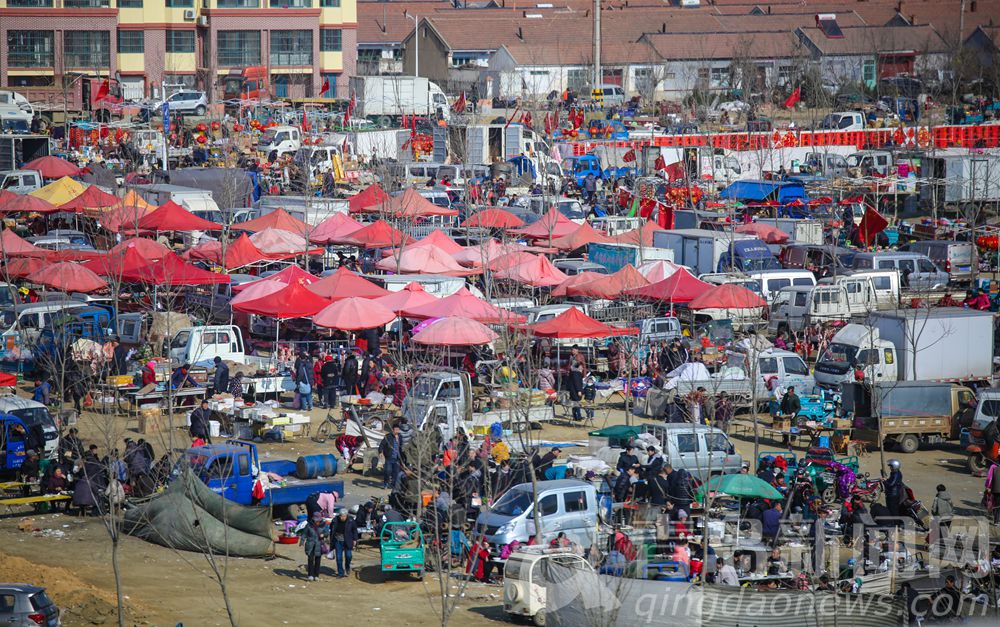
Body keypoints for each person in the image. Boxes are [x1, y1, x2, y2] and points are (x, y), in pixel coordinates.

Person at [328, 508, 358, 578]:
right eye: (341, 516)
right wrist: (331, 539)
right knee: (339, 558)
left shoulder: (351, 520)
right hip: (338, 541)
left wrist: (355, 539)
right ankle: (340, 573)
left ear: (346, 515)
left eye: (344, 516)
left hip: (348, 541)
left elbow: (355, 530)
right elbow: (331, 529)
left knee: (348, 556)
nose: (342, 517)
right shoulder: (335, 520)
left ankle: (347, 567)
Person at [299, 512, 328, 581]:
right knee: (310, 560)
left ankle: (316, 575)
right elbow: (304, 534)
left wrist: (323, 535)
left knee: (318, 560)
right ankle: (310, 575)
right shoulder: (309, 525)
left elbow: (327, 533)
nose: (317, 522)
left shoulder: (324, 525)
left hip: (319, 544)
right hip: (310, 544)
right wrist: (302, 541)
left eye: (318, 520)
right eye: (316, 520)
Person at [378, 424, 404, 490]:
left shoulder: (400, 437)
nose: (397, 431)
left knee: (396, 472)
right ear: (393, 430)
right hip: (389, 457)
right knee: (387, 471)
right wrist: (380, 451)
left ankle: (393, 485)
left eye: (398, 429)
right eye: (396, 430)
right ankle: (385, 484)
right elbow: (382, 444)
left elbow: (402, 446)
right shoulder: (388, 436)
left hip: (397, 458)